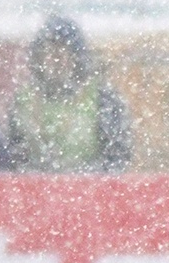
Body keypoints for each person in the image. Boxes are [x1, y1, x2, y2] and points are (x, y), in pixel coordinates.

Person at [7, 16, 133, 173]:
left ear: (77, 58)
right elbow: (14, 159)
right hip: (36, 191)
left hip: (90, 191)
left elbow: (117, 159)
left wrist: (81, 177)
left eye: (63, 51)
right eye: (49, 51)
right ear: (38, 57)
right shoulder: (23, 100)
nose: (56, 59)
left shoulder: (103, 99)